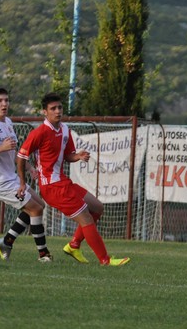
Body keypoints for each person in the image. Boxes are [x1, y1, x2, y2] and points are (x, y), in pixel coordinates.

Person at [16, 93, 130, 266]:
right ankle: (105, 260)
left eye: (59, 107)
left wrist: (78, 156)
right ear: (45, 112)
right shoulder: (39, 133)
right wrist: (22, 183)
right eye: (53, 108)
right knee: (86, 219)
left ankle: (74, 245)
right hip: (52, 187)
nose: (57, 111)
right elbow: (21, 157)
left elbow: (68, 156)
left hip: (64, 182)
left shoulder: (65, 130)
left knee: (97, 208)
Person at [0, 88, 52, 262]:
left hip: (11, 177)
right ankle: (43, 254)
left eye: (6, 100)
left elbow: (12, 152)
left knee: (40, 205)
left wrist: (29, 167)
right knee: (35, 209)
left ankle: (7, 241)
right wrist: (0, 148)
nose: (4, 104)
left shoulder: (7, 122)